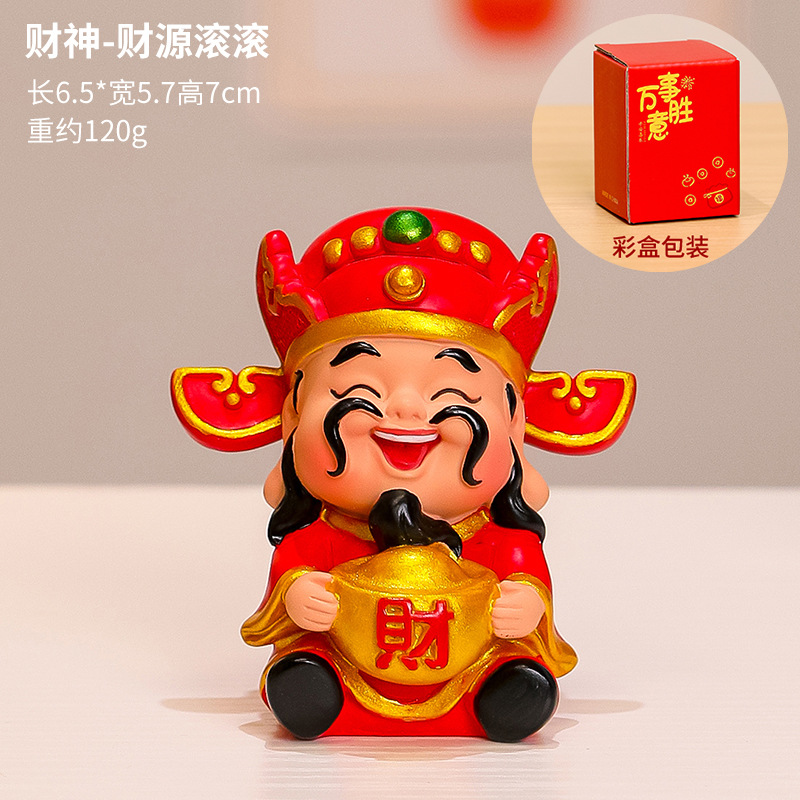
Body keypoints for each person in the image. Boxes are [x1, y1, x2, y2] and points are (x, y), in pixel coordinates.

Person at [172, 208, 636, 741]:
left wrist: (527, 603)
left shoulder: (494, 540)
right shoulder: (324, 538)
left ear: (515, 424)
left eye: (453, 394)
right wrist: (296, 594)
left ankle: (504, 691)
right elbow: (293, 570)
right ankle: (313, 690)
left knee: (513, 670)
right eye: (358, 391)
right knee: (309, 664)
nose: (407, 411)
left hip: (468, 663)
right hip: (347, 660)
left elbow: (525, 574)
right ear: (291, 418)